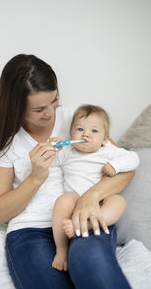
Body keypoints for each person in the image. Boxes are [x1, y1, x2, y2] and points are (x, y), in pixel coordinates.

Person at [0, 54, 134, 289]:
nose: (50, 113)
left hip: (84, 218)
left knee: (96, 270)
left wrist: (90, 197)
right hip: (31, 231)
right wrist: (35, 177)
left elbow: (125, 168)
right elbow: (0, 212)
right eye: (39, 109)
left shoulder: (79, 120)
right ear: (16, 107)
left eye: (54, 101)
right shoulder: (1, 144)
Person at [51, 104, 139, 271]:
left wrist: (115, 166)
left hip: (101, 201)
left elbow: (133, 158)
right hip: (75, 197)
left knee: (119, 201)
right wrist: (54, 149)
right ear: (71, 134)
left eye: (94, 131)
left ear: (105, 138)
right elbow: (52, 162)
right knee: (62, 202)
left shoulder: (108, 150)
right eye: (80, 129)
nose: (85, 134)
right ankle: (61, 249)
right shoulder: (68, 150)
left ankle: (88, 225)